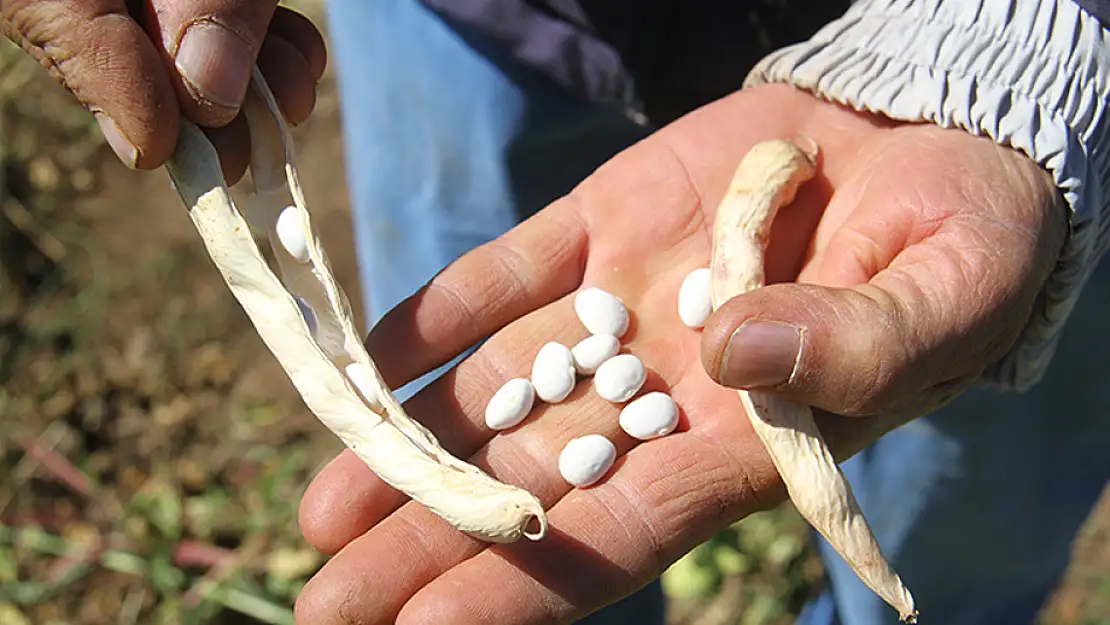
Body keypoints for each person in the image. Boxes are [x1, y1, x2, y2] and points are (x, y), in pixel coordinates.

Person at [6, 1, 1110, 624]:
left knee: (965, 511)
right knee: (483, 449)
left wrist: (1011, 50)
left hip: (996, 71)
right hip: (490, 22)